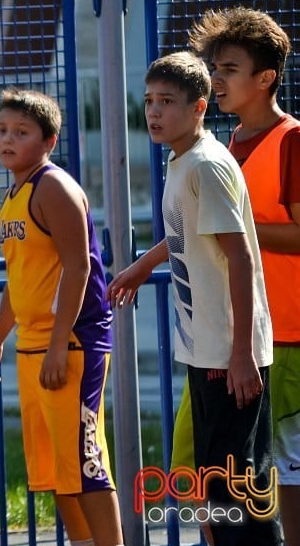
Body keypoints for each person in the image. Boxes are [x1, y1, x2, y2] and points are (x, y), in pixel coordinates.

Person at [108, 51, 282, 545]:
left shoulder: (206, 165)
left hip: (231, 359)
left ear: (199, 107)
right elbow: (190, 233)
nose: (155, 112)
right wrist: (144, 264)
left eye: (167, 101)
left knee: (239, 494)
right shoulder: (182, 159)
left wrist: (243, 354)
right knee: (218, 487)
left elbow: (242, 258)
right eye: (148, 101)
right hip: (207, 353)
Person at [0, 88, 124, 546]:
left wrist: (60, 344)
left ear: (49, 141)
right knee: (54, 473)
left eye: (21, 132)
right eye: (2, 130)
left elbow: (78, 267)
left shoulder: (53, 186)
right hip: (33, 346)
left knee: (85, 463)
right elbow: (18, 281)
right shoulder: (13, 194)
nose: (7, 139)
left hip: (72, 344)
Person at [188, 7, 300, 546]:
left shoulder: (292, 140)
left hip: (285, 337)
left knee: (279, 471)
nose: (216, 77)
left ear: (265, 78)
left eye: (229, 68)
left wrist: (240, 230)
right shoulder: (221, 147)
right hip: (230, 340)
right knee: (210, 471)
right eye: (214, 67)